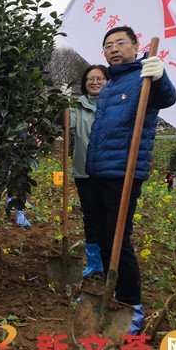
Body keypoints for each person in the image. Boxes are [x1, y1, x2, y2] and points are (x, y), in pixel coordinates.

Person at [85, 26, 176, 334]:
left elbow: (168, 97)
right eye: (108, 45)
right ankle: (111, 292)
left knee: (118, 240)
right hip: (101, 171)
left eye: (120, 43)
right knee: (101, 234)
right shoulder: (110, 84)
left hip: (123, 173)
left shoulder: (144, 77)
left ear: (135, 47)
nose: (114, 49)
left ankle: (132, 304)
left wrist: (160, 75)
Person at [70, 65, 109, 278]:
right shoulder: (78, 107)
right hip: (84, 172)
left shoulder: (115, 105)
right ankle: (94, 261)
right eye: (90, 79)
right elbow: (65, 123)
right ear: (84, 83)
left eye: (100, 78)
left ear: (107, 81)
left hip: (110, 171)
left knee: (109, 216)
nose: (94, 82)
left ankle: (111, 258)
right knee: (90, 216)